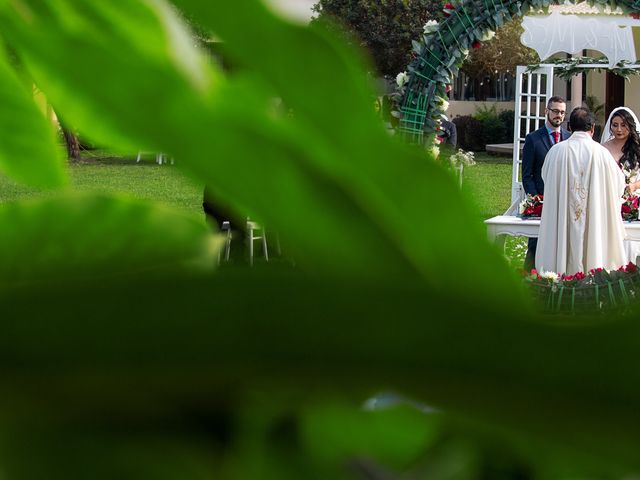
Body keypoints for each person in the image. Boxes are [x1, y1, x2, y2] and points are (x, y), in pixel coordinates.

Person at [535, 107, 627, 275]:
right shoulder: (602, 153)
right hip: (594, 221)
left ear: (569, 127)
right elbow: (619, 185)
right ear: (592, 128)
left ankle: (560, 281)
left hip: (562, 220)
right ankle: (593, 284)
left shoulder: (556, 151)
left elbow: (545, 177)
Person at [521, 96, 571, 271]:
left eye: (562, 112)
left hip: (565, 201)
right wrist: (536, 200)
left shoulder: (569, 138)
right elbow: (527, 175)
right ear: (546, 111)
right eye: (556, 111)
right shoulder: (533, 139)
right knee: (536, 244)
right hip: (541, 202)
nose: (559, 115)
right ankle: (528, 278)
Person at [600, 107, 640, 264]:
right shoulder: (602, 149)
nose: (619, 129)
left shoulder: (637, 148)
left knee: (629, 242)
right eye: (615, 125)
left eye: (623, 125)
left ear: (630, 126)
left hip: (632, 202)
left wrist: (634, 186)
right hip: (608, 201)